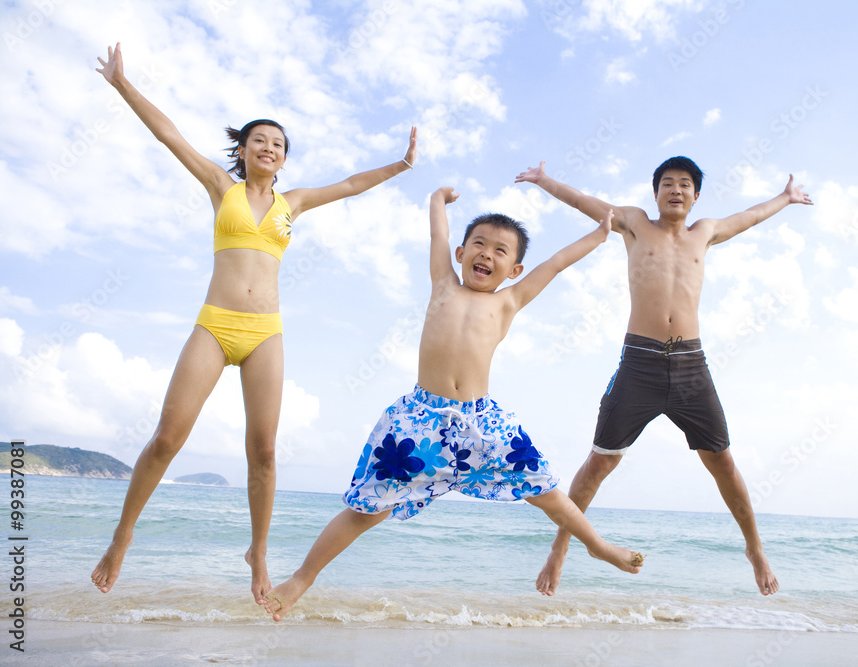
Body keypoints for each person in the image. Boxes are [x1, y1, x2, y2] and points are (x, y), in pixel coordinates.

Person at [89, 43, 416, 604]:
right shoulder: (223, 187)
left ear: (284, 160)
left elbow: (352, 184)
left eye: (279, 144)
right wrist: (122, 84)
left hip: (266, 333)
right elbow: (170, 136)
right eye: (259, 140)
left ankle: (258, 552)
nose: (269, 147)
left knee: (263, 451)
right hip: (215, 326)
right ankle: (122, 536)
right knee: (167, 438)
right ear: (242, 151)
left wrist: (402, 166)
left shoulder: (295, 202)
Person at [261, 187, 644, 621]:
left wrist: (598, 236)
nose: (486, 254)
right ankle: (302, 579)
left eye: (500, 251)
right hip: (420, 422)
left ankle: (596, 545)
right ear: (462, 252)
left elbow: (554, 265)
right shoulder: (442, 283)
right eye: (478, 244)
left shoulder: (508, 301)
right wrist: (437, 203)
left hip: (483, 424)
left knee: (548, 491)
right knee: (366, 510)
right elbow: (436, 239)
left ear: (514, 268)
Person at [515, 157, 813, 597]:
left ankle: (754, 548)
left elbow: (747, 217)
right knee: (600, 462)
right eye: (668, 184)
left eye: (685, 184)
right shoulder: (636, 224)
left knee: (723, 462)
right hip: (639, 363)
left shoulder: (705, 231)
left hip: (692, 366)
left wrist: (785, 199)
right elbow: (585, 202)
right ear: (655, 193)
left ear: (695, 196)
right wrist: (544, 181)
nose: (676, 190)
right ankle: (561, 548)